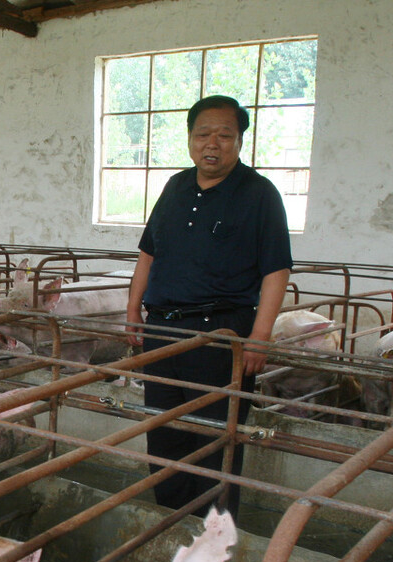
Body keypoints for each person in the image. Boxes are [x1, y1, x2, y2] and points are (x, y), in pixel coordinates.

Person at [125, 95, 292, 517]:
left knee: (215, 439)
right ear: (189, 137)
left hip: (221, 335)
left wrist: (260, 337)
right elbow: (148, 253)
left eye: (224, 135)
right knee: (164, 432)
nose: (212, 144)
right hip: (163, 330)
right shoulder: (176, 187)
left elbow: (276, 270)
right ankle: (170, 522)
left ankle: (212, 535)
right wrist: (133, 310)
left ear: (240, 140)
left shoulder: (259, 195)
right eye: (203, 134)